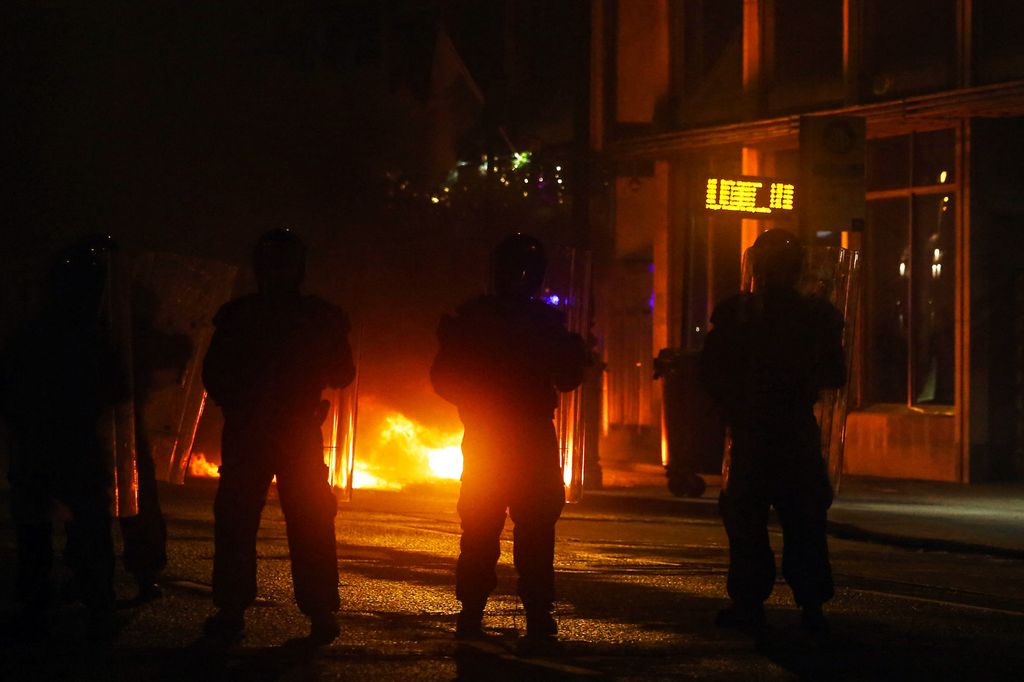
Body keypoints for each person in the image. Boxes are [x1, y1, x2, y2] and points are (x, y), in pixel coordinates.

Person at [430, 233, 589, 644]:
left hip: (500, 433)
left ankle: (492, 613)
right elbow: (568, 376)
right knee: (505, 526)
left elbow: (445, 378)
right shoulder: (530, 321)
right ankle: (518, 614)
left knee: (494, 524)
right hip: (515, 433)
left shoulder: (481, 317)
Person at [201, 228, 355, 644]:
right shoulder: (316, 316)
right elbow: (344, 373)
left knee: (246, 518)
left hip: (259, 430)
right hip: (291, 431)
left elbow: (214, 375)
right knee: (305, 520)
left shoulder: (239, 315)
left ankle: (236, 610)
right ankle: (318, 611)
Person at [700, 228, 846, 635]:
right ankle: (811, 607)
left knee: (747, 518)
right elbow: (835, 373)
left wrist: (731, 403)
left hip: (754, 430)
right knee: (804, 520)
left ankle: (750, 604)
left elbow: (711, 373)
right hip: (794, 429)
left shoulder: (739, 314)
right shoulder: (817, 317)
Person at [0, 241, 126, 638]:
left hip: (44, 440)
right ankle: (94, 602)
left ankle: (42, 601)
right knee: (79, 524)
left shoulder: (35, 333)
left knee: (41, 525)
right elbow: (119, 389)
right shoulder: (91, 337)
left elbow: (9, 387)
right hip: (68, 440)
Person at [119, 283, 193, 602]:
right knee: (138, 499)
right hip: (118, 426)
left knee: (131, 500)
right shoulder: (126, 334)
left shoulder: (118, 332)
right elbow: (176, 349)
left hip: (112, 425)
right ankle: (143, 572)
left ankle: (137, 572)